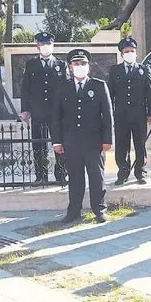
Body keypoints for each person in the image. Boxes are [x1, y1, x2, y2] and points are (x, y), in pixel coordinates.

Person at [51, 49, 114, 223]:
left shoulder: (99, 86)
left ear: (89, 66)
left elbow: (107, 115)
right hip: (71, 142)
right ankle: (74, 211)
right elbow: (56, 117)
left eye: (83, 64)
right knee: (75, 178)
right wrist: (57, 141)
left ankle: (99, 209)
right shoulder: (63, 87)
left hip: (94, 142)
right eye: (76, 64)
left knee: (97, 177)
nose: (79, 67)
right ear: (70, 67)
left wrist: (108, 139)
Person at [20, 32, 68, 184]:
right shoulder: (31, 64)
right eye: (42, 44)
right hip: (38, 111)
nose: (45, 47)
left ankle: (61, 174)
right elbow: (25, 89)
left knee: (59, 144)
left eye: (48, 44)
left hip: (57, 113)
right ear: (37, 46)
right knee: (39, 145)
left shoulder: (61, 65)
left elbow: (67, 89)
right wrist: (25, 110)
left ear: (53, 45)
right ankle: (41, 176)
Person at [108, 37, 151, 185]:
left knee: (140, 144)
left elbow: (150, 92)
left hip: (139, 115)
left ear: (136, 52)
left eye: (132, 51)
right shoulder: (115, 70)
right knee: (122, 145)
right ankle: (122, 172)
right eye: (126, 51)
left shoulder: (144, 70)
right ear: (121, 54)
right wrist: (109, 114)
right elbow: (110, 94)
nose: (129, 53)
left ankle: (140, 172)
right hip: (121, 115)